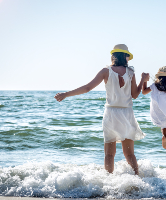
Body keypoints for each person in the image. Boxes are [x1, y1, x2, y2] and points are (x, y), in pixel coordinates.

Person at [54, 44, 148, 175]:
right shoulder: (130, 72)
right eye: (127, 56)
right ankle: (137, 181)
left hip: (111, 114)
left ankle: (108, 182)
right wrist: (143, 80)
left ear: (113, 56)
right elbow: (135, 95)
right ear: (125, 56)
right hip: (127, 113)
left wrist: (66, 94)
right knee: (129, 154)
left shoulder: (106, 71)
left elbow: (87, 88)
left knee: (109, 154)